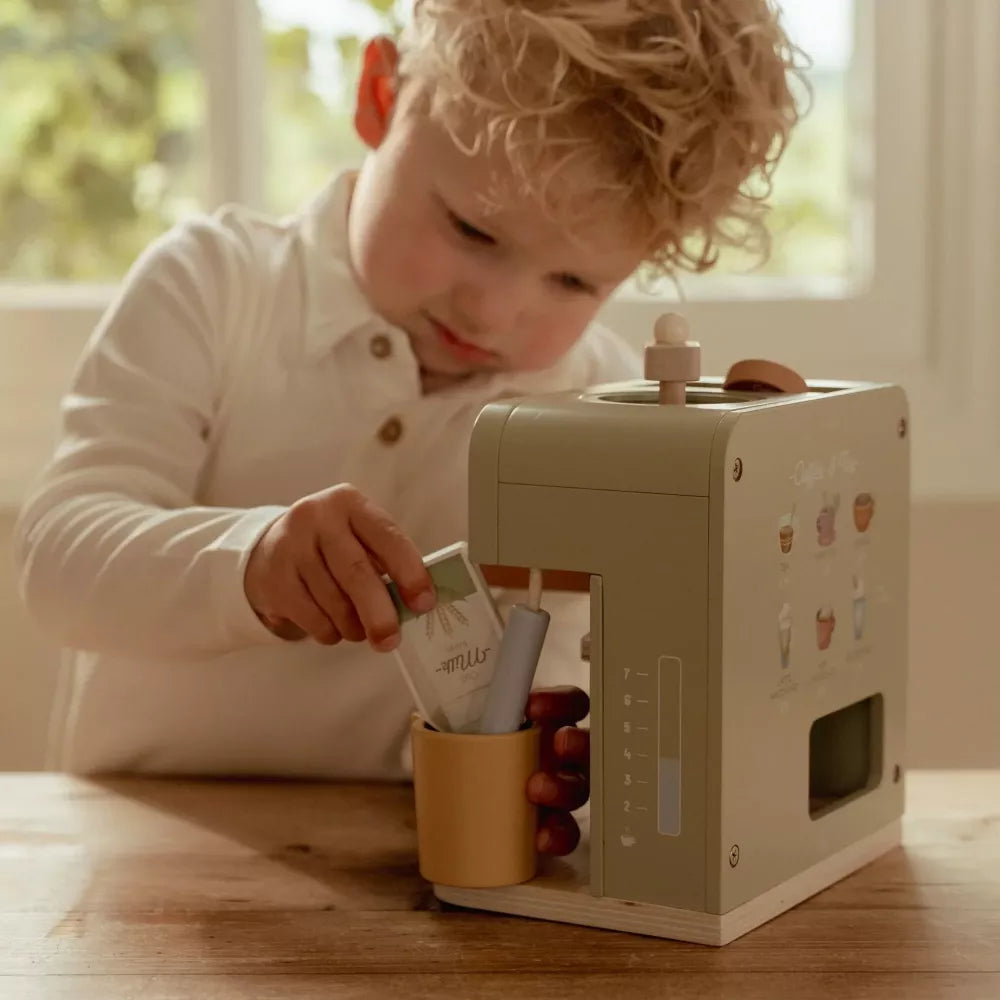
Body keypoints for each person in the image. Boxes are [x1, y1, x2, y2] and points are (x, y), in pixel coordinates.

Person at [13, 0, 802, 856]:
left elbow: (578, 676)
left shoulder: (603, 407)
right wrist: (252, 565)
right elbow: (61, 561)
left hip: (413, 863)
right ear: (380, 95)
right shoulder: (214, 287)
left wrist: (544, 760)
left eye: (574, 282)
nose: (495, 309)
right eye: (471, 229)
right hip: (136, 859)